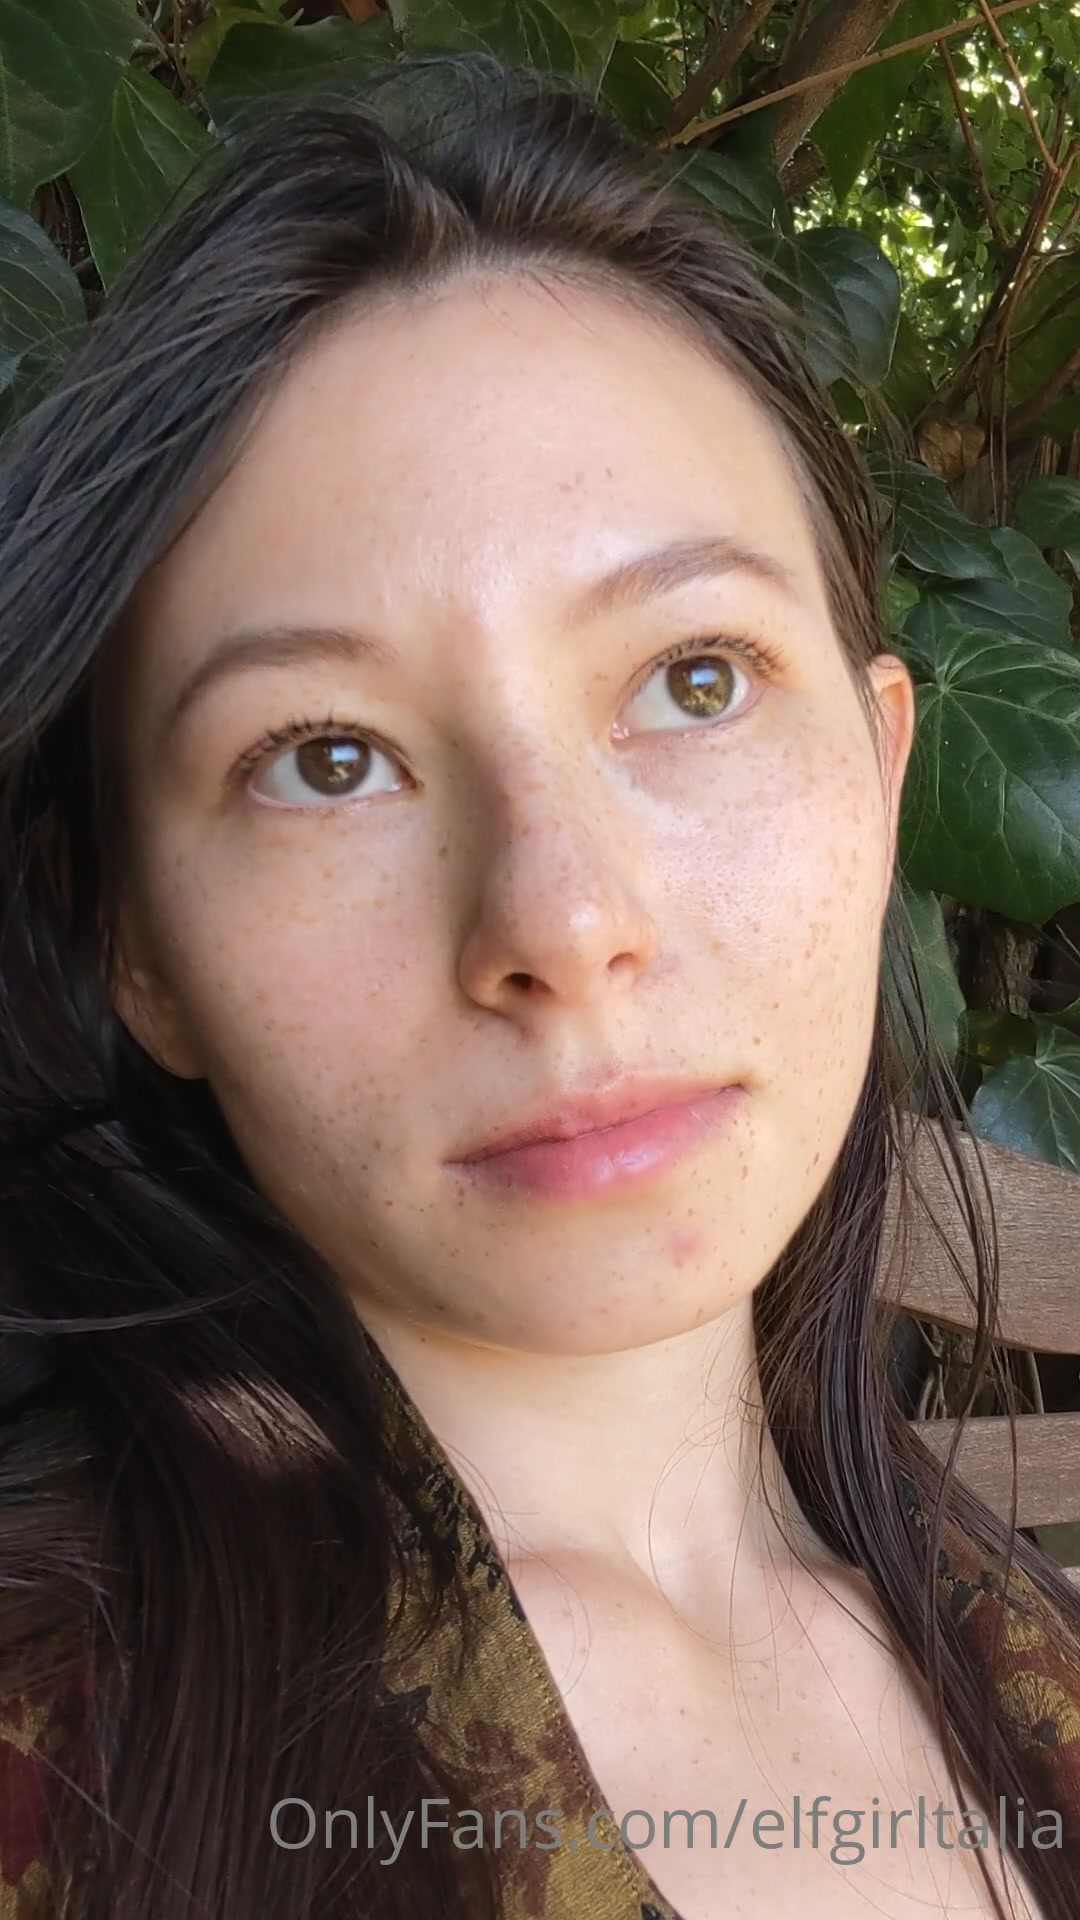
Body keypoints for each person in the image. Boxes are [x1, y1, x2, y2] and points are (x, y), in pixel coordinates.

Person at [0, 49, 1078, 1920]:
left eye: (694, 680)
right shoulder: (63, 1764)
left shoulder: (1024, 1655)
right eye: (328, 757)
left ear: (881, 769)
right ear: (136, 946)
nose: (564, 920)